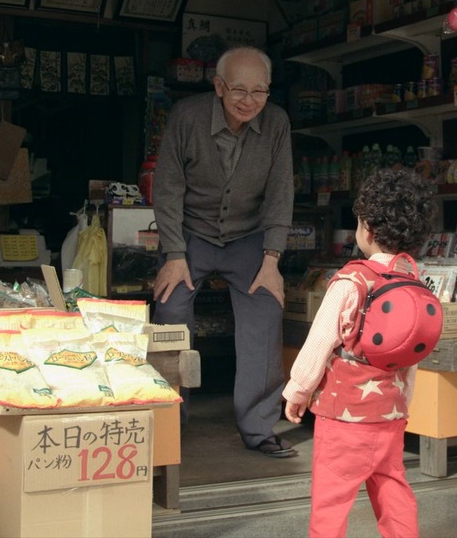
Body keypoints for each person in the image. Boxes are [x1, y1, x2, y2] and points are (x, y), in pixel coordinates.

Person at [152, 46, 296, 457]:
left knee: (266, 312)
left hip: (249, 237)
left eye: (260, 91)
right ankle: (169, 423)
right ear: (218, 86)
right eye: (239, 90)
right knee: (170, 313)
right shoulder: (187, 117)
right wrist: (175, 253)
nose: (249, 101)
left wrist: (272, 260)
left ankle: (259, 427)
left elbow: (280, 193)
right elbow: (167, 188)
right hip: (189, 235)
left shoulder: (277, 124)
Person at [283, 168, 436, 537]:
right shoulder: (414, 285)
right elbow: (410, 358)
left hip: (343, 418)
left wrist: (297, 391)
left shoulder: (351, 281)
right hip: (391, 415)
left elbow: (319, 343)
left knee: (331, 499)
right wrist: (404, 402)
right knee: (392, 488)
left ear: (366, 229)